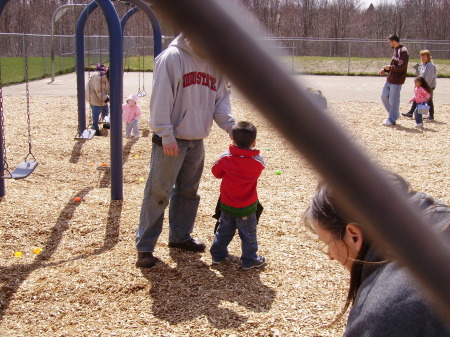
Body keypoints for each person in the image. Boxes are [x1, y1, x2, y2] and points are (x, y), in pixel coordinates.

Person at [303, 173, 450, 336]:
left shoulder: (385, 312)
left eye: (327, 245)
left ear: (353, 236)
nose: (330, 256)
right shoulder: (441, 217)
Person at [135, 34, 236, 268]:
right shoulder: (171, 58)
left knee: (189, 192)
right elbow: (160, 99)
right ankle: (145, 247)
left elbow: (220, 99)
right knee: (158, 192)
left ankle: (180, 237)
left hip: (196, 139)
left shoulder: (214, 62)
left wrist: (231, 127)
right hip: (171, 139)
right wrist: (166, 135)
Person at [209, 121, 266, 270]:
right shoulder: (258, 162)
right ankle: (249, 260)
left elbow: (216, 173)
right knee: (248, 235)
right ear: (254, 142)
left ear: (232, 140)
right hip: (247, 207)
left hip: (227, 205)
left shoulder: (225, 158)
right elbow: (260, 168)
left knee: (223, 231)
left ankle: (217, 255)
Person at [378, 34, 409, 126]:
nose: (389, 44)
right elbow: (393, 63)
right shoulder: (396, 50)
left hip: (397, 80)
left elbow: (401, 68)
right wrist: (385, 69)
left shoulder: (403, 52)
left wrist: (390, 67)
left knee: (393, 100)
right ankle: (395, 114)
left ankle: (392, 119)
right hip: (390, 78)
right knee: (384, 96)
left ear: (394, 41)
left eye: (390, 42)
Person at [402, 49, 437, 120]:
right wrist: (416, 69)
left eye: (424, 57)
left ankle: (430, 115)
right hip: (422, 86)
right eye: (421, 57)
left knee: (428, 99)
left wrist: (424, 88)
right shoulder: (424, 65)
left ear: (428, 57)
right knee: (418, 98)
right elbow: (420, 76)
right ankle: (411, 112)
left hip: (428, 86)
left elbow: (429, 78)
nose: (422, 59)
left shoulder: (430, 66)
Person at [85, 64, 110, 136]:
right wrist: (106, 98)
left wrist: (107, 97)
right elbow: (98, 90)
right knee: (96, 111)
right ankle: (95, 127)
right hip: (93, 94)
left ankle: (105, 123)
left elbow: (107, 89)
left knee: (105, 109)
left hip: (101, 95)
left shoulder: (107, 78)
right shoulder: (98, 77)